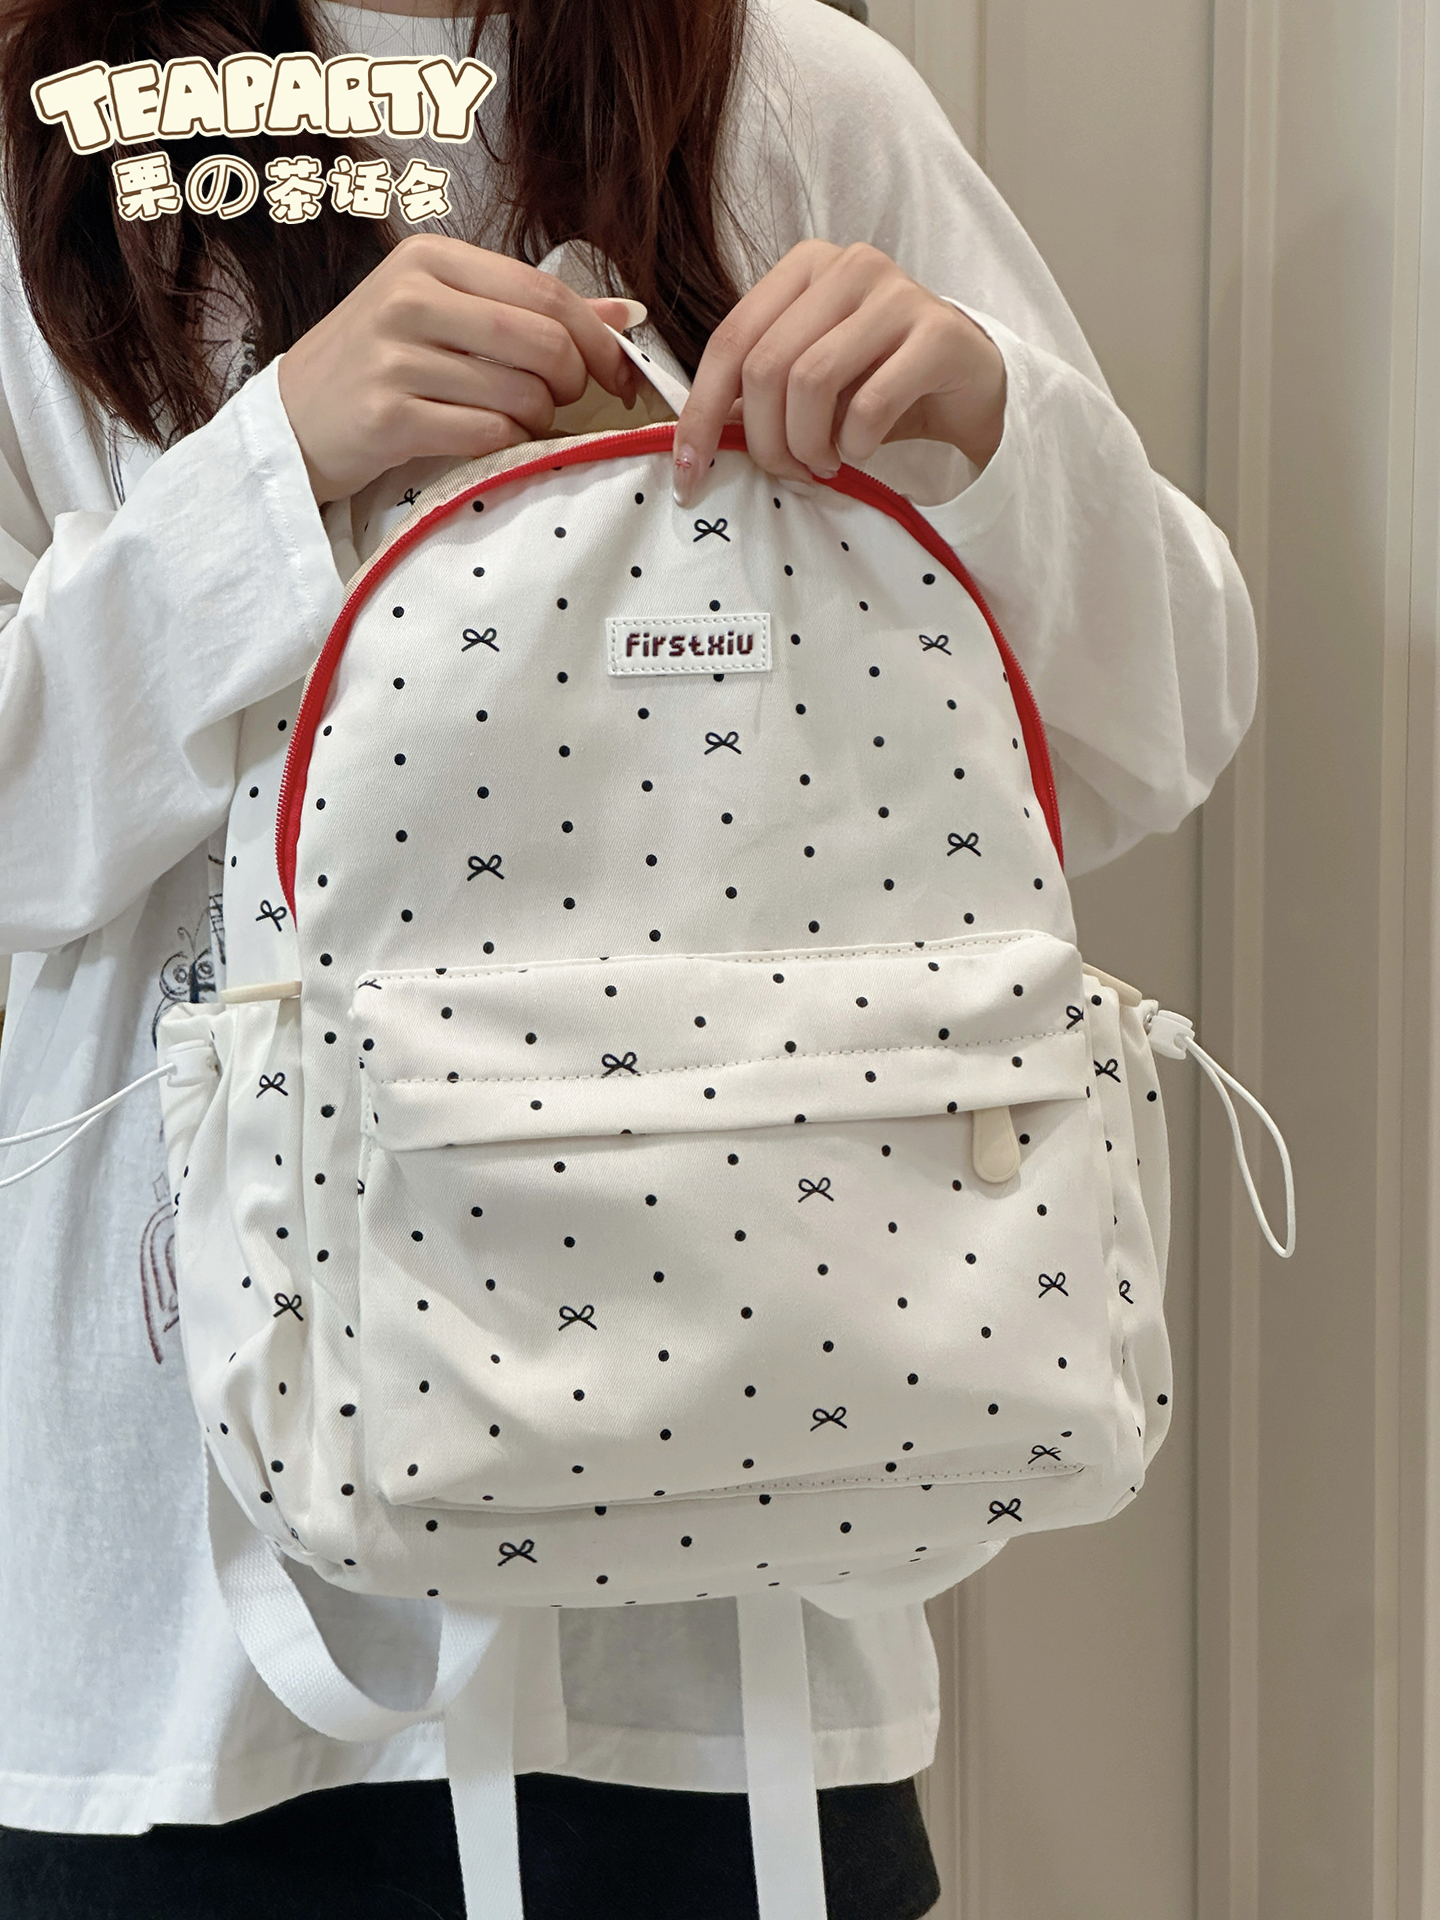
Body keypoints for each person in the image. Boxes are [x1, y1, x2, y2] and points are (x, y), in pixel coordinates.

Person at [0, 1, 1257, 1915]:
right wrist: (267, 479)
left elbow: (1163, 718)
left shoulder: (783, 91)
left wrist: (989, 422)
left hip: (737, 1667)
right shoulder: (53, 137)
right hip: (181, 1656)